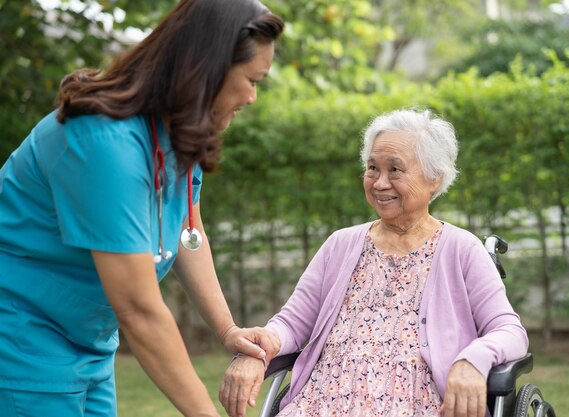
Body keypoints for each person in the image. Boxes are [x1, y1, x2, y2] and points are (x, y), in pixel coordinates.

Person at [0, 1, 283, 416]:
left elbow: (189, 230)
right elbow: (138, 309)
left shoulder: (176, 131)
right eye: (252, 79)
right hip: (22, 338)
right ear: (207, 68)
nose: (253, 97)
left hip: (89, 343)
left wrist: (227, 328)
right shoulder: (104, 143)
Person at [219, 109, 528, 417]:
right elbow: (291, 323)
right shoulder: (340, 245)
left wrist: (473, 360)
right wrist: (258, 352)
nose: (380, 183)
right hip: (322, 404)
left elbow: (509, 330)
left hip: (418, 406)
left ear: (434, 178)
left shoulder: (462, 249)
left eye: (395, 170)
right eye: (372, 169)